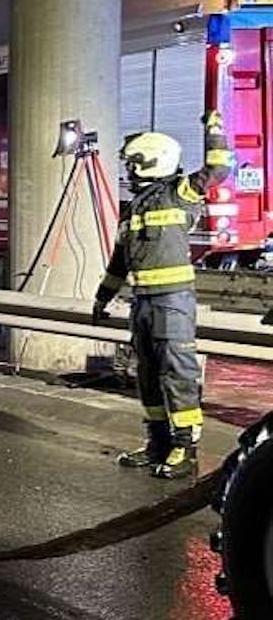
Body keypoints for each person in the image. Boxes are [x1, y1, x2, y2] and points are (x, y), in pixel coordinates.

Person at [94, 109, 231, 479]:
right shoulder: (133, 209)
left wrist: (215, 131)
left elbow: (218, 170)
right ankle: (157, 442)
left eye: (135, 163)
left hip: (173, 302)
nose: (129, 171)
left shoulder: (179, 192)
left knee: (178, 374)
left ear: (154, 162)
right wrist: (102, 297)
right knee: (148, 375)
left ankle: (185, 449)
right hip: (143, 302)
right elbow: (119, 260)